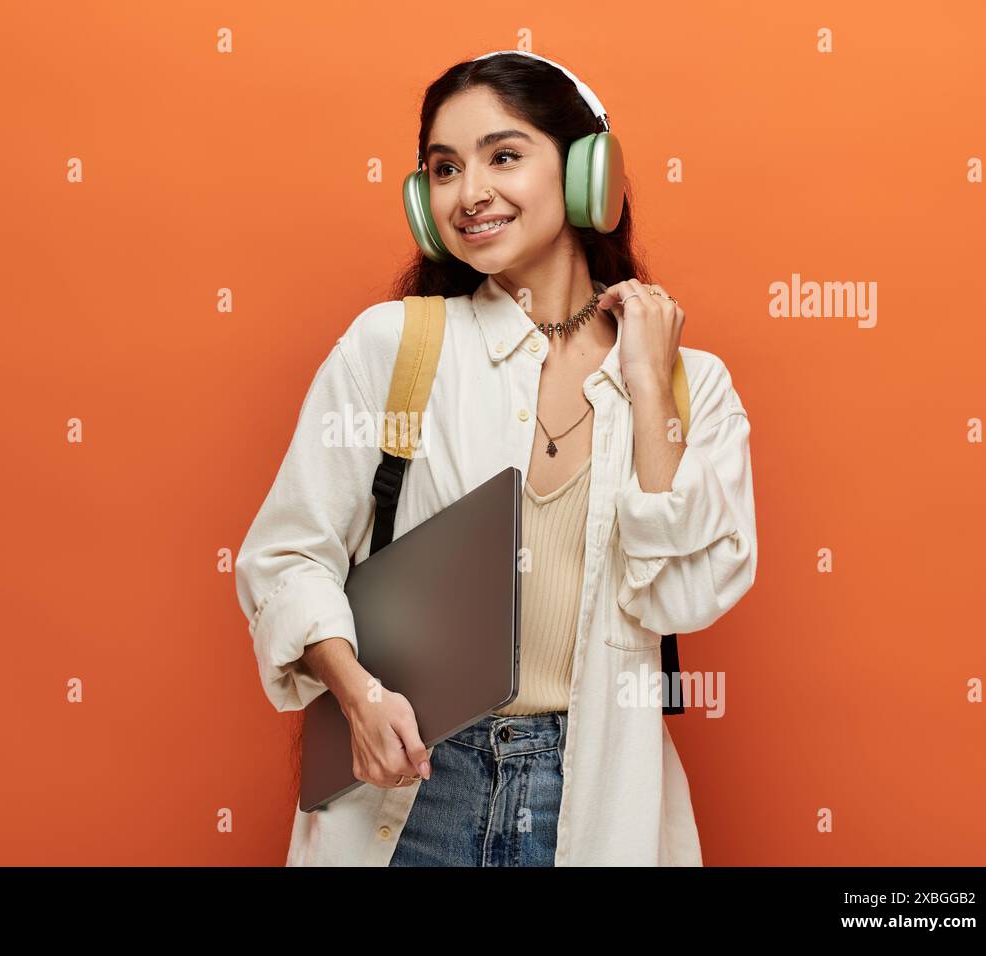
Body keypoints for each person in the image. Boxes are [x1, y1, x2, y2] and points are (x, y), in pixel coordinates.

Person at [234, 50, 757, 866]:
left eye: (503, 156)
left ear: (590, 175)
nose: (470, 192)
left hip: (596, 791)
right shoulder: (394, 346)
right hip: (415, 787)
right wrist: (358, 694)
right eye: (444, 168)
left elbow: (685, 596)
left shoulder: (695, 387)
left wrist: (650, 388)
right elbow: (286, 557)